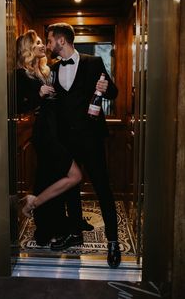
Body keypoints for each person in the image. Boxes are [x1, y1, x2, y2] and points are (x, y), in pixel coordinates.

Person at [46, 23, 121, 268]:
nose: (49, 45)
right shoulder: (54, 69)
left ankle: (112, 241)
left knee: (102, 188)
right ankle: (75, 232)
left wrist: (106, 88)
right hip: (67, 142)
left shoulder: (94, 62)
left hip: (92, 140)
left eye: (50, 40)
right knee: (70, 190)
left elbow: (113, 93)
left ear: (61, 41)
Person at [16, 30, 90, 246]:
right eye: (38, 43)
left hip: (56, 132)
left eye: (43, 42)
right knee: (73, 175)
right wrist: (37, 97)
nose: (43, 46)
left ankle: (50, 226)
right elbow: (16, 106)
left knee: (50, 178)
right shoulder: (20, 74)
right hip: (45, 134)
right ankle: (34, 204)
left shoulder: (44, 71)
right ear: (28, 49)